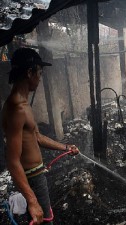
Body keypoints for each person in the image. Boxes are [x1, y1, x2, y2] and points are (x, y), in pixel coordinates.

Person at [1, 48, 80, 225]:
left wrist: (66, 147)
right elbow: (12, 161)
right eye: (39, 72)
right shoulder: (17, 109)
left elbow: (36, 136)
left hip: (36, 175)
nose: (40, 77)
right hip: (33, 178)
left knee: (44, 220)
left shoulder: (23, 104)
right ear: (29, 72)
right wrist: (32, 201)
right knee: (46, 221)